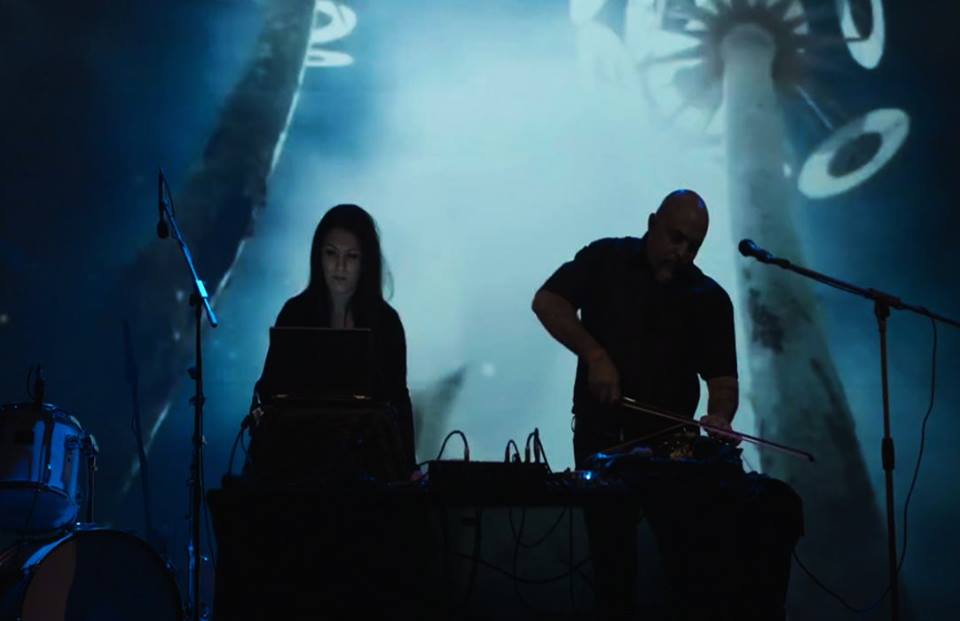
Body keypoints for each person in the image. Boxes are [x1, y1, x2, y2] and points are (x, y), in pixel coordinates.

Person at [531, 189, 739, 618]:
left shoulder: (710, 298)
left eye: (693, 246)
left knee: (684, 565)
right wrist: (595, 355)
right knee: (611, 563)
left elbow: (723, 381)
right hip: (602, 436)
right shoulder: (605, 259)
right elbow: (548, 302)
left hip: (674, 445)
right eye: (675, 238)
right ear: (652, 224)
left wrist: (720, 416)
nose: (681, 253)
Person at [251, 203, 416, 478]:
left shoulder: (386, 323)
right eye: (331, 254)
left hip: (369, 465)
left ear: (365, 263)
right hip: (297, 461)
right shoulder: (295, 313)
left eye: (351, 256)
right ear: (318, 257)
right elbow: (268, 389)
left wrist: (409, 468)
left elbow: (398, 400)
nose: (340, 266)